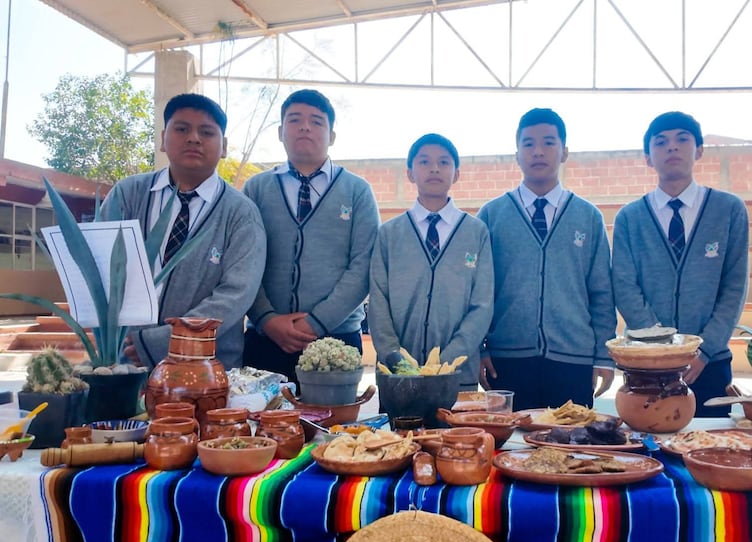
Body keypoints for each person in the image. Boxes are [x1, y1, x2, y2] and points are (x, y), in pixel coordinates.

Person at [102, 93, 266, 370]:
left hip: (206, 371)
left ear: (223, 146)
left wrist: (164, 341)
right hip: (123, 363)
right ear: (164, 138)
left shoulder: (241, 213)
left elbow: (236, 294)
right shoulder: (128, 195)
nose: (194, 138)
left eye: (206, 132)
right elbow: (99, 268)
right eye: (181, 129)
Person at [611, 111, 750, 417]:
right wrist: (662, 349)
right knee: (649, 445)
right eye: (661, 142)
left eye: (682, 139)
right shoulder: (630, 217)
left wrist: (701, 350)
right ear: (648, 157)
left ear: (699, 150)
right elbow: (624, 284)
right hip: (646, 364)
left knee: (707, 445)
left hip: (709, 362)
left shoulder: (729, 210)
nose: (671, 147)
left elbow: (734, 286)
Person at [477, 108, 616, 410]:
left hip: (573, 360)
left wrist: (604, 356)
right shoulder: (491, 215)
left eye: (548, 143)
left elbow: (602, 292)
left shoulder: (588, 216)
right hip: (506, 360)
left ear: (564, 152)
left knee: (571, 450)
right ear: (517, 154)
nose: (538, 151)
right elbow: (477, 291)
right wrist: (479, 348)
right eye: (528, 144)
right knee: (510, 450)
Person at [243, 89, 380, 381]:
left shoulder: (357, 191)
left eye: (317, 121)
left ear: (331, 135)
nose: (305, 126)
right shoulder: (256, 189)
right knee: (264, 424)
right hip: (265, 339)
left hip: (336, 341)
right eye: (295, 120)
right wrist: (266, 319)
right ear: (281, 132)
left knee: (336, 426)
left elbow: (363, 265)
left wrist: (316, 323)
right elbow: (243, 263)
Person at [368, 133, 494, 390]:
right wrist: (397, 361)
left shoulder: (476, 232)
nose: (434, 168)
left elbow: (482, 306)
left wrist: (445, 363)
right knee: (395, 433)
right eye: (424, 162)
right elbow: (378, 303)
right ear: (410, 173)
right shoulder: (389, 234)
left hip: (457, 377)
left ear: (456, 173)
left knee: (458, 431)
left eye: (444, 162)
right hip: (398, 379)